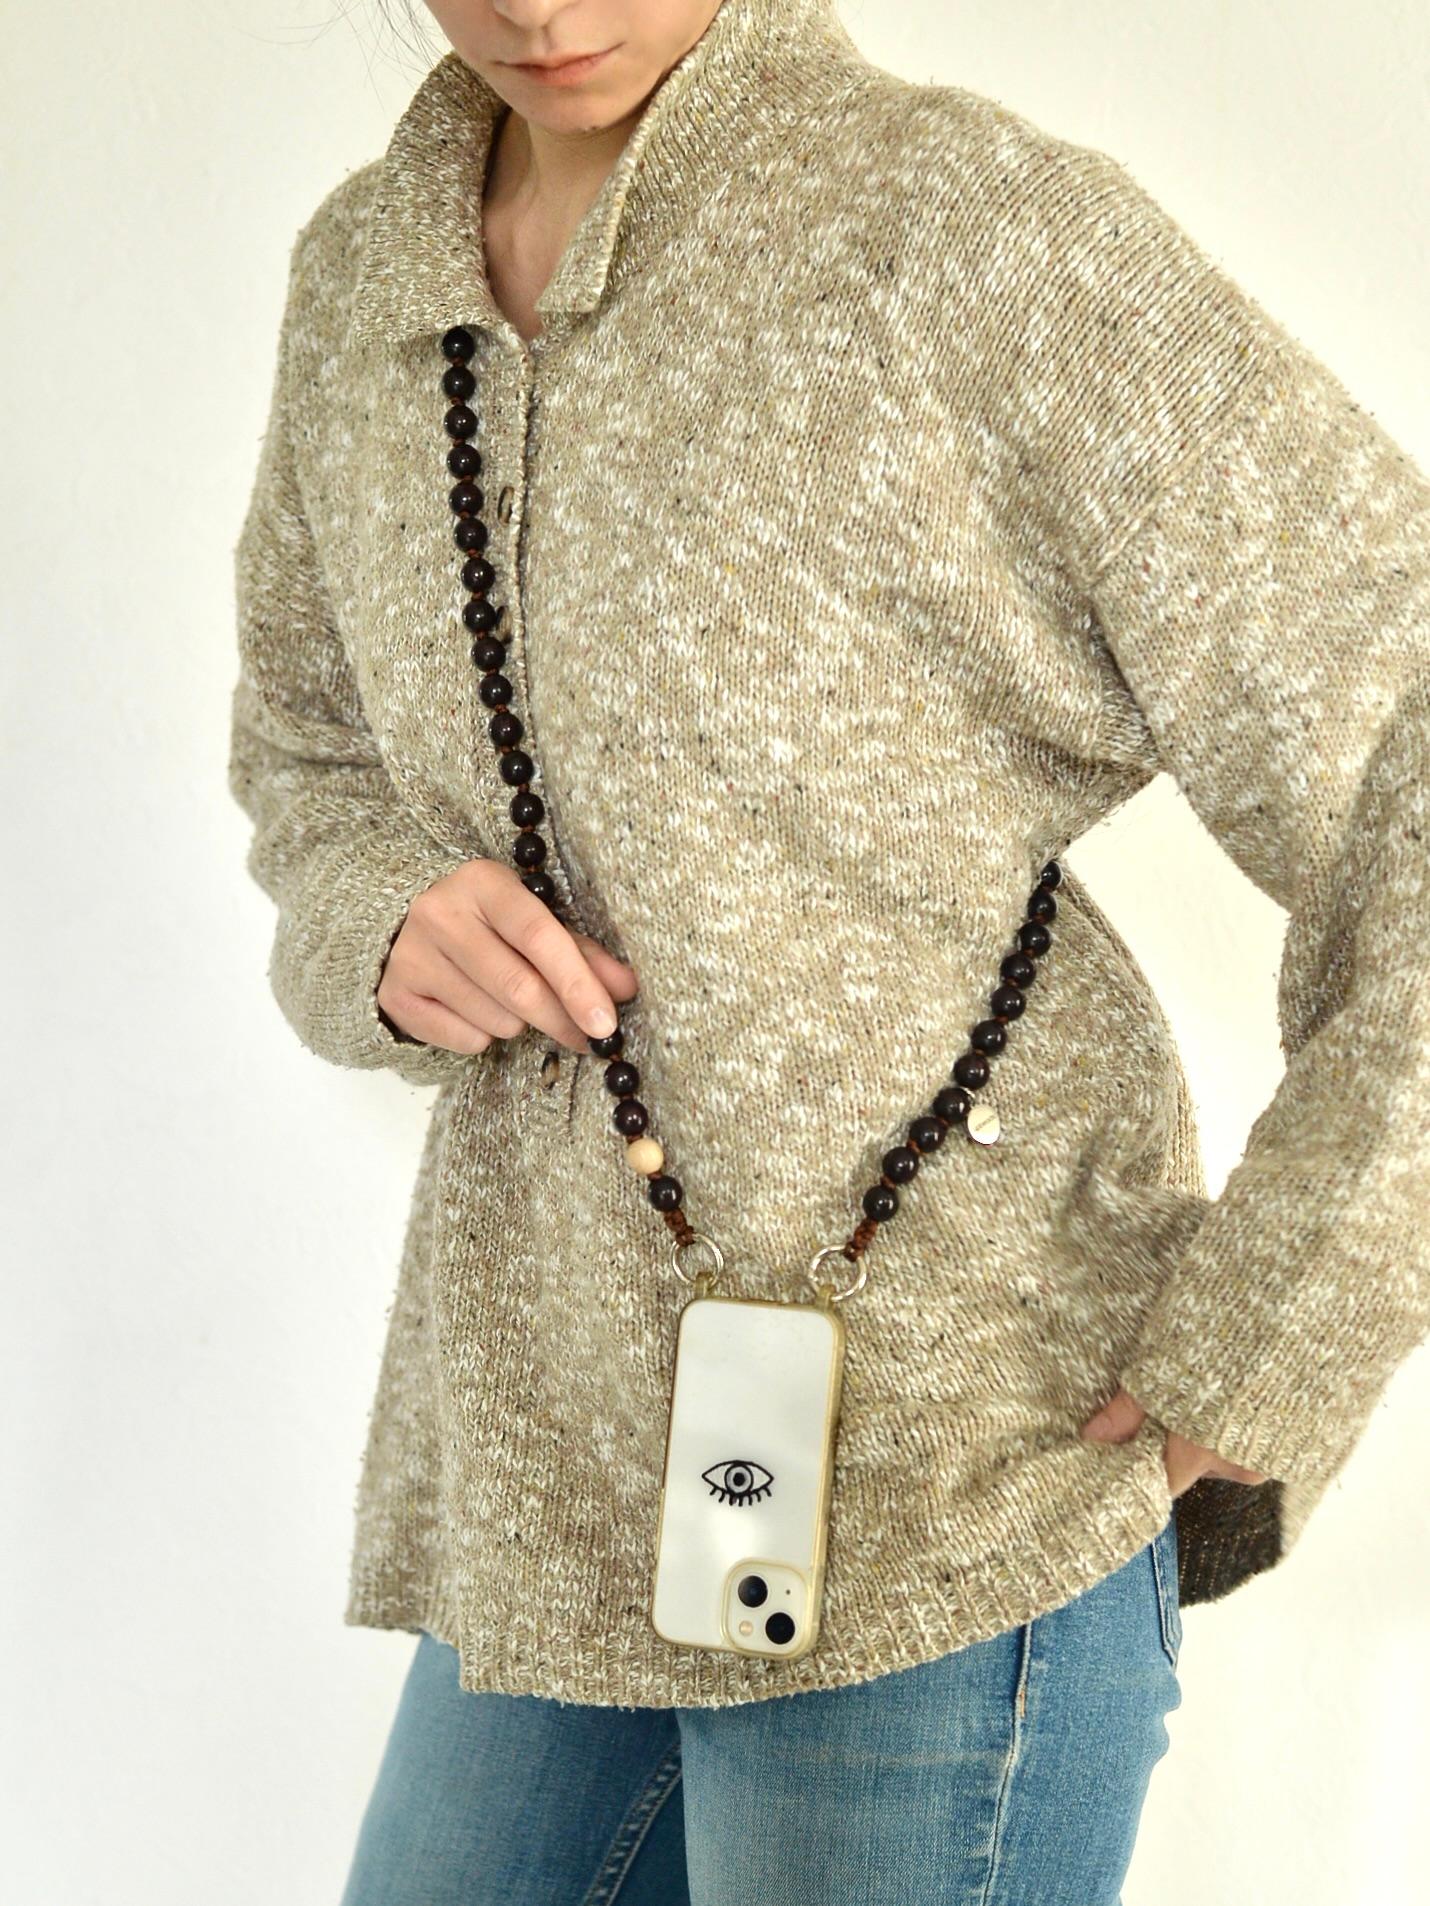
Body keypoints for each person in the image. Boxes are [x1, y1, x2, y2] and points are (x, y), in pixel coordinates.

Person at [227, 1, 1430, 1900]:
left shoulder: (967, 231)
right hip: (546, 1468)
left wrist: (1281, 1320)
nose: (539, 10)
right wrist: (376, 917)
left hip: (963, 1466)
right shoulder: (367, 277)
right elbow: (308, 756)